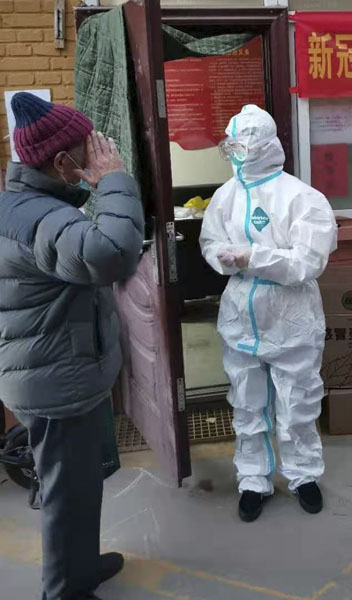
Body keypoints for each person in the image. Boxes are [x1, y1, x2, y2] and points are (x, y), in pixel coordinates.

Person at [0, 93, 144, 599]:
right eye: (90, 150)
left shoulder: (31, 205)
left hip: (54, 370)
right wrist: (115, 181)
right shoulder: (38, 216)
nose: (98, 155)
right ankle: (64, 591)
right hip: (53, 381)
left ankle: (80, 568)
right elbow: (111, 255)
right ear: (61, 163)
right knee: (65, 495)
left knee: (80, 487)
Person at [200, 105, 337, 522]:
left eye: (242, 147)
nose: (236, 155)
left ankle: (303, 475)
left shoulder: (302, 197)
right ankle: (252, 480)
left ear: (263, 146)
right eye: (231, 147)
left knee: (298, 403)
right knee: (246, 403)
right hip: (241, 317)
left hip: (291, 317)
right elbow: (209, 241)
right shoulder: (226, 195)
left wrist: (253, 257)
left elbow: (308, 261)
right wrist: (223, 257)